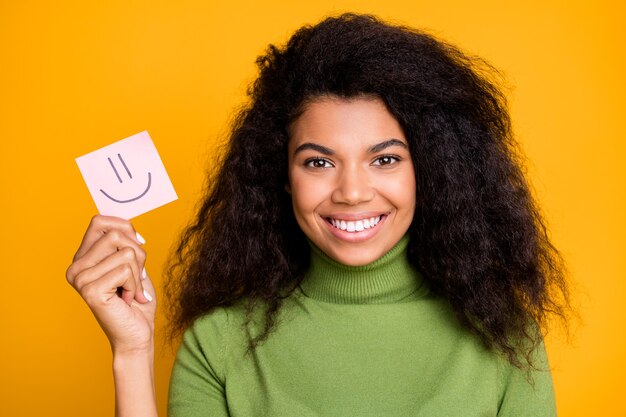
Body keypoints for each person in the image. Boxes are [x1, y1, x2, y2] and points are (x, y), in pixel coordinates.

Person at [66, 13, 569, 417]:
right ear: (283, 176)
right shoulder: (218, 342)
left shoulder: (504, 336)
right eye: (319, 162)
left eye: (385, 159)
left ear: (430, 170)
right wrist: (132, 354)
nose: (351, 191)